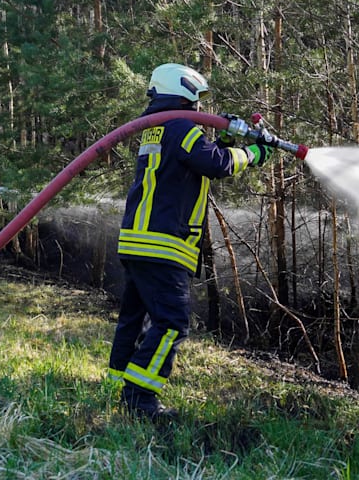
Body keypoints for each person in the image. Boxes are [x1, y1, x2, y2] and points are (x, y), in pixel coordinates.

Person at [107, 63, 271, 422]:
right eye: (198, 99)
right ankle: (141, 400)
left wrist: (225, 139)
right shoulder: (181, 126)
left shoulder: (157, 128)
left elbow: (192, 161)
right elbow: (214, 164)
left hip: (138, 241)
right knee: (172, 323)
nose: (201, 108)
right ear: (185, 93)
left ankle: (120, 382)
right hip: (163, 245)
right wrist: (254, 155)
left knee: (134, 317)